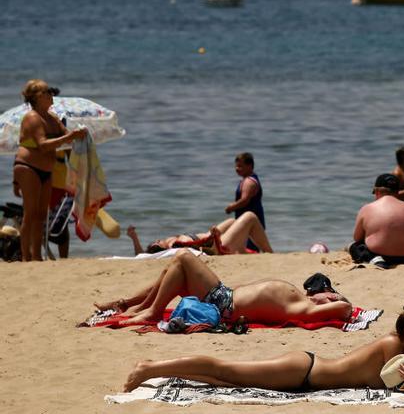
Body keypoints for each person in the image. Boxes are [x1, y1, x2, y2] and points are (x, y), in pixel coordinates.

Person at [122, 298, 404, 392]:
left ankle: (152, 368)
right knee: (225, 370)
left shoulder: (396, 346)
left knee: (222, 378)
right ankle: (150, 368)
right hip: (303, 373)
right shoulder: (393, 347)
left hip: (305, 369)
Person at [94, 249, 349, 326]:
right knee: (173, 271)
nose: (322, 292)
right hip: (223, 297)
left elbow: (345, 309)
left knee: (184, 257)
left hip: (223, 304)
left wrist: (336, 300)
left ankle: (149, 310)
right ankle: (131, 304)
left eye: (328, 293)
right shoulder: (303, 300)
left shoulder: (304, 308)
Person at [12, 80, 88, 262]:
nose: (50, 94)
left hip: (46, 169)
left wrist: (78, 134)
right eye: (46, 92)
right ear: (36, 97)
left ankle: (37, 257)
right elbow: (43, 145)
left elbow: (66, 138)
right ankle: (26, 257)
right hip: (28, 167)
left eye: (50, 91)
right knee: (30, 213)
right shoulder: (32, 117)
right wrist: (69, 137)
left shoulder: (52, 117)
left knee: (41, 215)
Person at [350, 174, 404, 268]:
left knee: (355, 247)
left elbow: (357, 238)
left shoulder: (367, 208)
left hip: (385, 257)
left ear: (377, 191)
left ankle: (376, 260)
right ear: (397, 192)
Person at [126, 211, 274, 255]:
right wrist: (212, 236)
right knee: (249, 216)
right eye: (156, 241)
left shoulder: (172, 243)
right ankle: (269, 252)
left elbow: (142, 255)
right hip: (217, 244)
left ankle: (242, 251)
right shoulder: (175, 244)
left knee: (231, 221)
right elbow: (200, 244)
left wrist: (134, 238)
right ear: (159, 246)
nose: (157, 239)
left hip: (213, 238)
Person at [224, 152, 264, 250]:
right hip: (250, 223)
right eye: (236, 166)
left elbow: (245, 200)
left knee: (251, 249)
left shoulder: (249, 182)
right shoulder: (249, 179)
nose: (237, 169)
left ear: (249, 166)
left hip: (250, 225)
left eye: (240, 166)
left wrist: (231, 207)